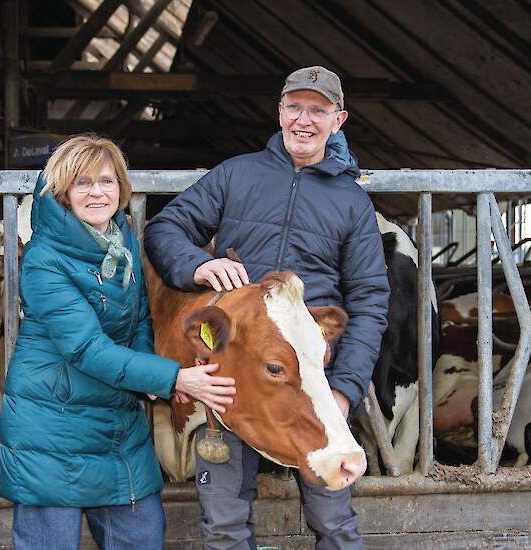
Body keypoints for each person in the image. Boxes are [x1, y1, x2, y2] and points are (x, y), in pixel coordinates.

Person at [144, 66, 391, 549]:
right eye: (294, 107)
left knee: (334, 525)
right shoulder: (237, 173)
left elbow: (369, 300)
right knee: (224, 527)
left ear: (337, 121)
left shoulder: (350, 201)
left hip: (307, 385)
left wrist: (342, 390)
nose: (304, 120)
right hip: (232, 381)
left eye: (317, 110)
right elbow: (164, 228)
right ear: (279, 112)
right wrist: (198, 265)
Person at [0, 134, 237, 549]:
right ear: (62, 192)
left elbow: (139, 319)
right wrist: (174, 379)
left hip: (119, 428)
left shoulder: (122, 239)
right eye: (83, 183)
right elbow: (87, 349)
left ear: (121, 188)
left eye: (106, 181)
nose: (97, 192)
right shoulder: (43, 260)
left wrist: (147, 373)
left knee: (143, 537)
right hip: (53, 430)